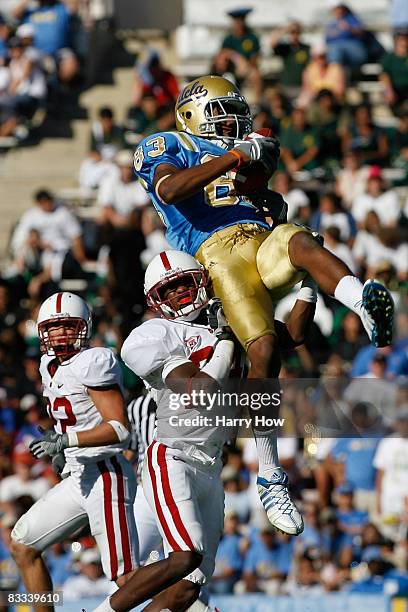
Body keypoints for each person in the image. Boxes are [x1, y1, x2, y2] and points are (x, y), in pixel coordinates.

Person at [132, 74, 394, 524]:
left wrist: (261, 186)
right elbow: (170, 190)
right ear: (191, 114)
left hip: (261, 243)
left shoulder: (252, 151)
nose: (233, 122)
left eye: (237, 114)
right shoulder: (168, 144)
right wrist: (236, 155)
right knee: (266, 350)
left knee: (300, 240)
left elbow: (263, 199)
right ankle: (270, 475)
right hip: (216, 253)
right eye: (221, 113)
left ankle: (362, 302)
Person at [93, 248, 318, 612]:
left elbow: (292, 334)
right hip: (173, 457)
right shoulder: (154, 333)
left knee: (189, 586)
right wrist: (228, 337)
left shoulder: (230, 316)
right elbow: (200, 392)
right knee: (184, 556)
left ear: (201, 280)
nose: (179, 294)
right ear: (156, 301)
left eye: (183, 284)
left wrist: (308, 284)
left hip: (211, 466)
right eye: (168, 291)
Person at [9, 292, 138, 612]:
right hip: (78, 475)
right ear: (42, 332)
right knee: (23, 545)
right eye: (54, 328)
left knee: (127, 578)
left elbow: (120, 429)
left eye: (69, 326)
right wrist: (60, 448)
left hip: (106, 475)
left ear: (85, 327)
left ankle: (190, 603)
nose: (61, 334)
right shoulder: (48, 365)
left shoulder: (93, 361)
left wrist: (67, 441)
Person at [221, 7, 262, 102]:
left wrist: (245, 68)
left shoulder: (252, 38)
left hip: (247, 69)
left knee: (256, 75)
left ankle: (256, 104)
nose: (239, 24)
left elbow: (254, 58)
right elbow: (223, 55)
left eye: (241, 21)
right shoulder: (228, 39)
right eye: (237, 21)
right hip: (231, 70)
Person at [297, 42, 346, 107]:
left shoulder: (336, 68)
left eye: (323, 56)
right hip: (315, 99)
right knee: (302, 101)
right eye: (318, 57)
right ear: (314, 57)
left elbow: (340, 90)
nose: (321, 59)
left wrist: (326, 96)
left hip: (333, 99)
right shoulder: (309, 70)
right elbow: (306, 88)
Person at [270, 21, 310, 97]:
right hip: (286, 86)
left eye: (297, 32)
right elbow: (272, 43)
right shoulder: (285, 48)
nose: (295, 35)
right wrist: (285, 30)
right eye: (292, 32)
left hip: (301, 87)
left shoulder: (306, 48)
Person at [325, 2, 368, 68]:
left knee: (336, 49)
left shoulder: (351, 19)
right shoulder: (331, 23)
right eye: (335, 9)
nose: (337, 11)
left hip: (354, 51)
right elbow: (327, 41)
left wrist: (349, 28)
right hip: (336, 54)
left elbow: (361, 32)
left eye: (339, 8)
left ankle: (335, 71)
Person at [380, 30, 408, 111]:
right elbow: (384, 74)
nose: (404, 42)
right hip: (396, 90)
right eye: (401, 39)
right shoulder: (389, 58)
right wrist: (389, 90)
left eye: (405, 39)